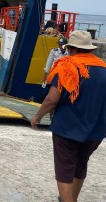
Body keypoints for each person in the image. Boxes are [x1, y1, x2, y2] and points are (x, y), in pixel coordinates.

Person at [31, 30, 106, 202]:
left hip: (67, 129)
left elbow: (51, 99)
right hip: (95, 130)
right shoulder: (103, 68)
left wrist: (37, 117)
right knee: (80, 165)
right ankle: (72, 198)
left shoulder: (66, 65)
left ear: (71, 48)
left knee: (65, 167)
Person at [41, 36, 68, 101]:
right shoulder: (54, 51)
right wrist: (45, 76)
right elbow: (48, 63)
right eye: (59, 45)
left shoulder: (69, 53)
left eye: (62, 45)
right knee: (52, 90)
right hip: (54, 75)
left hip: (64, 76)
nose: (60, 46)